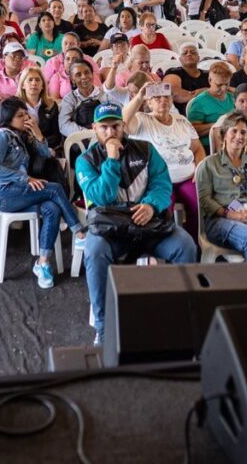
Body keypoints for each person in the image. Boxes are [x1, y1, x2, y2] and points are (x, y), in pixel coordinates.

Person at [76, 103, 198, 344]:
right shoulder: (86, 160)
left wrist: (151, 205)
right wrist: (111, 160)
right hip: (112, 231)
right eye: (104, 127)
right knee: (93, 251)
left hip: (149, 226)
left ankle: (182, 316)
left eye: (116, 126)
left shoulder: (146, 150)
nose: (111, 132)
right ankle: (103, 327)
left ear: (124, 126)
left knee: (185, 245)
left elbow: (162, 185)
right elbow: (101, 197)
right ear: (94, 129)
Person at [0, 97, 86, 290]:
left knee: (52, 208)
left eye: (26, 114)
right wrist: (26, 179)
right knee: (55, 189)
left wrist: (38, 134)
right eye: (20, 115)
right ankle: (80, 233)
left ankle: (43, 264)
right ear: (8, 119)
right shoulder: (1, 136)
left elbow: (46, 155)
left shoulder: (22, 136)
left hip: (18, 193)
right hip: (2, 194)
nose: (25, 118)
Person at [123, 82, 205, 239]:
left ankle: (194, 245)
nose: (163, 100)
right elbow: (125, 122)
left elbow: (198, 148)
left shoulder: (181, 120)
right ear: (149, 102)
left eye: (166, 96)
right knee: (164, 210)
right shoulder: (142, 120)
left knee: (198, 205)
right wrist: (140, 96)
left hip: (188, 177)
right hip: (158, 181)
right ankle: (170, 248)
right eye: (157, 97)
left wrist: (199, 167)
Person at [196, 112, 247, 262]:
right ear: (224, 134)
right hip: (220, 219)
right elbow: (204, 200)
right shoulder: (209, 164)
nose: (239, 136)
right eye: (234, 131)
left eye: (243, 132)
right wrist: (231, 214)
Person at [59, 59, 116, 136]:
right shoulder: (69, 99)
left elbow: (117, 115)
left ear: (92, 74)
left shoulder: (105, 94)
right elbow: (64, 125)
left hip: (106, 135)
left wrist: (103, 131)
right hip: (81, 140)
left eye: (87, 72)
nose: (84, 77)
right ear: (73, 80)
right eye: (78, 75)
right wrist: (89, 134)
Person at [187, 62, 236, 152]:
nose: (224, 89)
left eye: (227, 84)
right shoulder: (200, 102)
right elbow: (192, 130)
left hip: (232, 141)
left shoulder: (232, 98)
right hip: (208, 146)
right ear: (210, 80)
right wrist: (217, 125)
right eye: (219, 85)